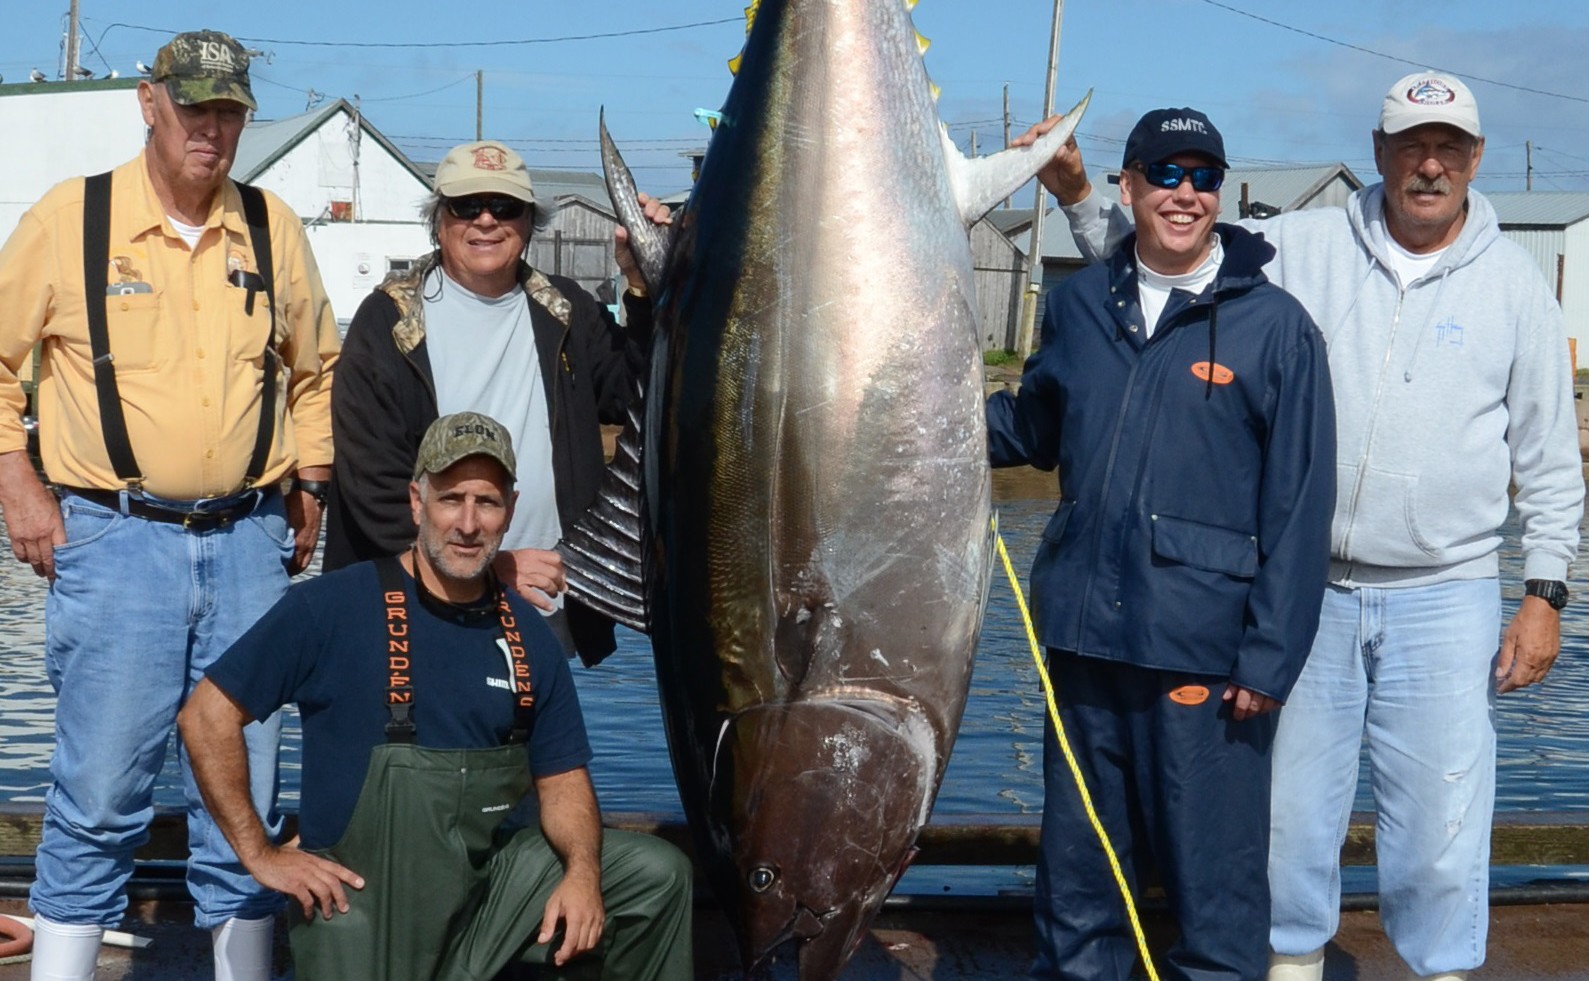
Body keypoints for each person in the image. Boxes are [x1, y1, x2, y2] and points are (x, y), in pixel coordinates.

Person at [1030, 73, 1584, 981]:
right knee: (1286, 819)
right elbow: (1166, 259)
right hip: (1304, 592)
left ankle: (1442, 969)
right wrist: (1080, 197)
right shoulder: (1297, 246)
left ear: (1475, 158)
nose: (1429, 165)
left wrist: (1544, 592)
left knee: (1441, 828)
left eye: (1447, 148)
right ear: (1378, 151)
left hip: (1445, 594)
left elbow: (1550, 458)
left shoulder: (1517, 287)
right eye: (1411, 145)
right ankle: (1288, 967)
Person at [0, 29, 339, 981]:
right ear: (149, 104)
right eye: (193, 106)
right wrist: (18, 481)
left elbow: (316, 370)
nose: (211, 128)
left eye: (229, 110)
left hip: (250, 544)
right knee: (99, 797)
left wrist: (312, 481)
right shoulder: (71, 219)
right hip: (115, 543)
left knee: (244, 805)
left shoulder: (272, 227)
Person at [986, 108, 1336, 981]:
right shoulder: (1077, 305)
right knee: (1078, 879)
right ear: (1128, 185)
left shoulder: (1276, 326)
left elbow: (1299, 508)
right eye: (1166, 174)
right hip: (1081, 639)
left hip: (1204, 654)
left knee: (1211, 884)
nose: (1185, 194)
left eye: (1203, 177)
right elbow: (1032, 429)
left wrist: (1268, 659)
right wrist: (905, 411)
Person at [179, 411, 693, 980]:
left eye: (487, 502)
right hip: (360, 908)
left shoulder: (529, 635)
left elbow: (563, 780)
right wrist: (261, 854)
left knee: (657, 875)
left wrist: (583, 874)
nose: (468, 523)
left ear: (510, 510)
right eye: (451, 499)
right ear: (417, 502)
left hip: (485, 899)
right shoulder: (331, 607)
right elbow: (205, 718)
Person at [323, 139, 669, 665]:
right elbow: (370, 486)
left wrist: (642, 286)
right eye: (467, 206)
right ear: (438, 220)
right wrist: (492, 565)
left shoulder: (567, 309)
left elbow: (635, 396)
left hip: (541, 603)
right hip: (418, 607)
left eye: (505, 207)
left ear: (530, 222)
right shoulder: (386, 321)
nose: (486, 220)